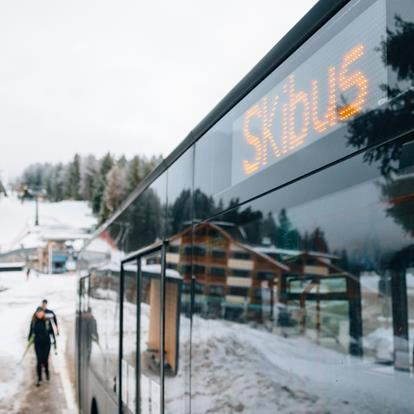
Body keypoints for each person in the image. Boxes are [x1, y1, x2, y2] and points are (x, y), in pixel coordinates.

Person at [28, 307, 55, 386]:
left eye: (41, 312)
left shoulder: (47, 321)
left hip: (47, 344)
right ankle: (39, 378)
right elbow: (30, 332)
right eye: (38, 312)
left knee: (45, 360)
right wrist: (29, 339)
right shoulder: (34, 322)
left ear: (43, 313)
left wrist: (55, 342)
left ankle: (47, 372)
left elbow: (52, 332)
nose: (39, 314)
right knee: (39, 361)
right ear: (36, 313)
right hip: (38, 344)